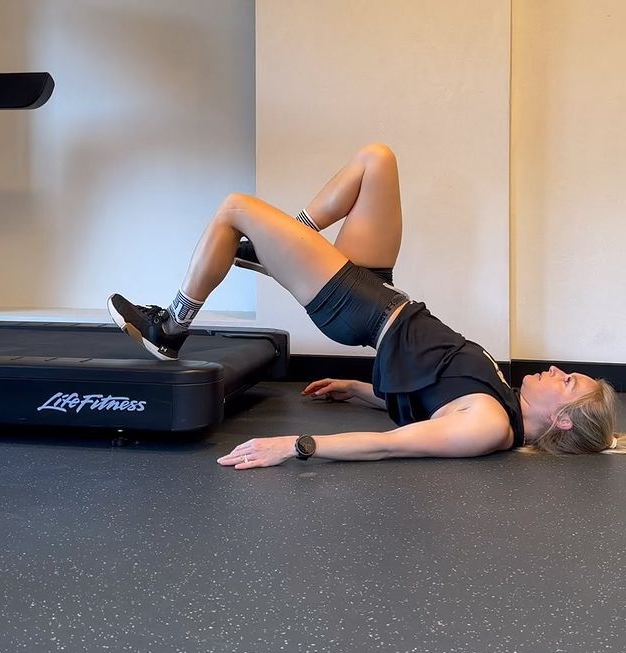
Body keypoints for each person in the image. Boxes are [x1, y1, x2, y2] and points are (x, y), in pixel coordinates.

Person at [108, 144, 622, 468]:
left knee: (234, 208)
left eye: (568, 382)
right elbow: (428, 397)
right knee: (377, 160)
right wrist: (360, 390)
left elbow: (394, 444)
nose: (557, 371)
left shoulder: (488, 425)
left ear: (562, 420)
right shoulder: (499, 401)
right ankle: (283, 246)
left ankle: (170, 327)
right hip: (380, 295)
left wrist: (296, 445)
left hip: (359, 310)